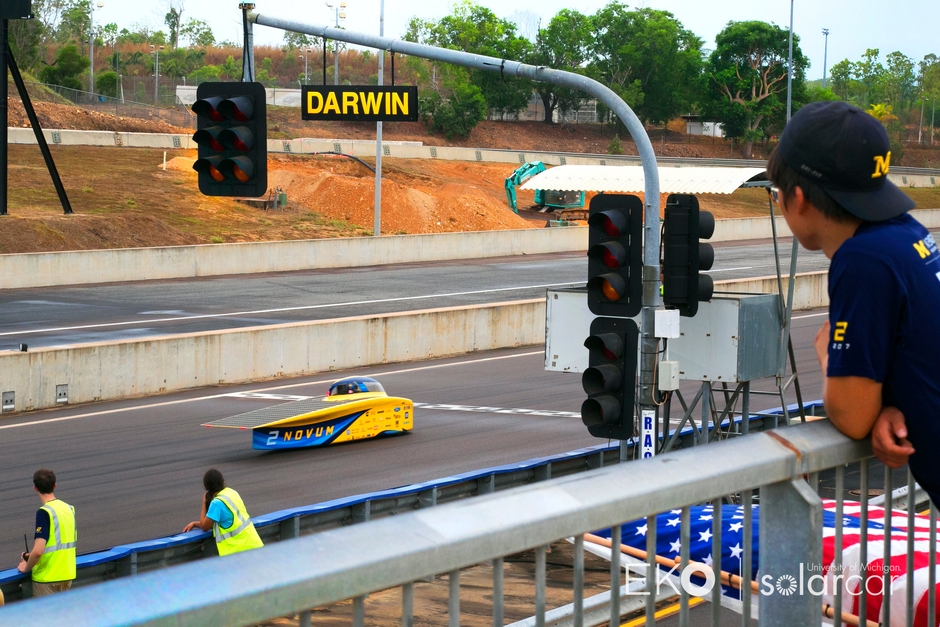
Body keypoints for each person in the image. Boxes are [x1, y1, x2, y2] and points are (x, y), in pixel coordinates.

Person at [767, 100, 940, 506]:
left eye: (776, 194)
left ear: (798, 197)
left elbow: (852, 416)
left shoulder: (863, 261)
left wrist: (829, 357)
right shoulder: (905, 233)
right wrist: (889, 404)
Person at [17, 469, 77, 596]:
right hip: (67, 575)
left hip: (47, 578)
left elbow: (38, 551)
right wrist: (30, 556)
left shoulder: (44, 513)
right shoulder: (69, 509)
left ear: (35, 488)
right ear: (54, 485)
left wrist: (26, 567)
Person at [183, 468, 264, 555]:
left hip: (239, 551)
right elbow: (221, 522)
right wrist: (195, 524)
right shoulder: (232, 493)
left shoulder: (217, 503)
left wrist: (204, 502)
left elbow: (204, 526)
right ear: (222, 480)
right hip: (254, 544)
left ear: (206, 487)